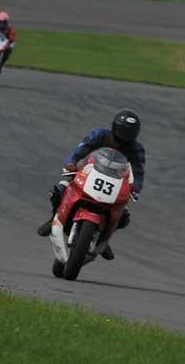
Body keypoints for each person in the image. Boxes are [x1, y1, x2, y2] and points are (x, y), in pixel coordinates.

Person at [37, 109, 145, 261]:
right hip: (87, 172)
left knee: (123, 215)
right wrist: (71, 163)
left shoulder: (137, 148)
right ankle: (54, 219)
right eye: (124, 130)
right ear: (115, 126)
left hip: (114, 182)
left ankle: (103, 237)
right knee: (60, 189)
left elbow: (139, 170)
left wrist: (137, 187)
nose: (126, 135)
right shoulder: (100, 135)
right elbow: (80, 150)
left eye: (131, 132)